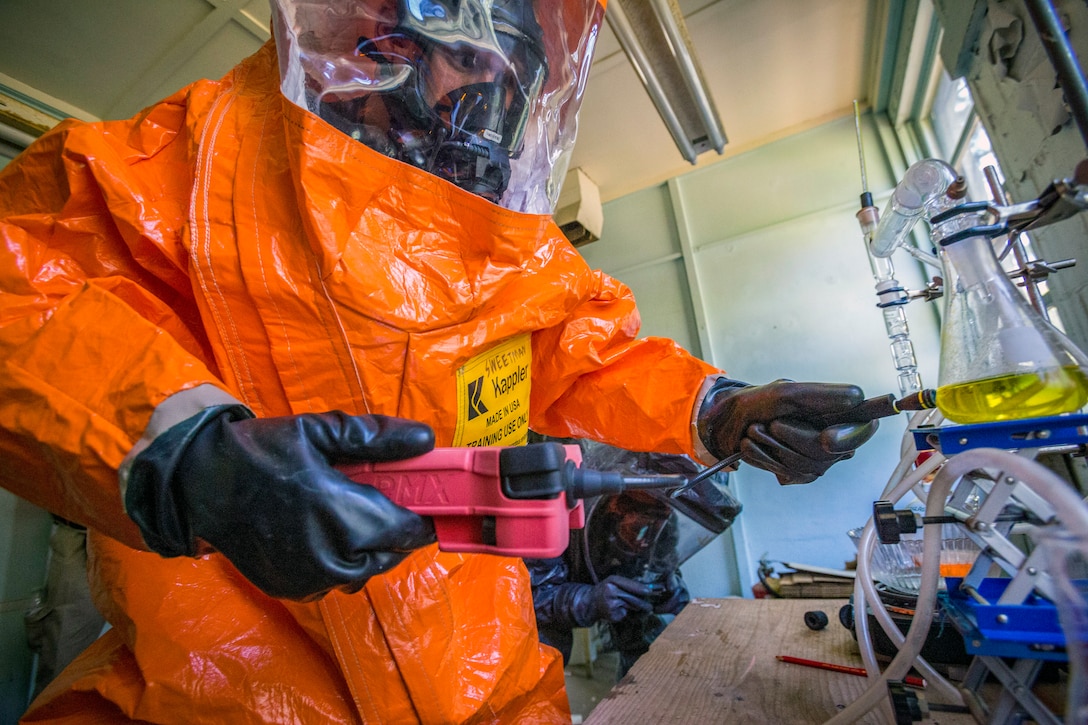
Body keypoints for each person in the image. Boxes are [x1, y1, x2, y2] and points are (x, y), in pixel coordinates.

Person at [0, 0, 878, 721]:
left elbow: (589, 353)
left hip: (491, 690)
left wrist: (717, 406)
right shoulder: (184, 170)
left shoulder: (510, 254)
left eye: (520, 60)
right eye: (480, 44)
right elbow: (18, 289)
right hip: (219, 696)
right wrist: (189, 455)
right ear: (377, 29)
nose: (495, 81)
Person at [527, 441, 740, 679]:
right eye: (644, 511)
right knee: (539, 655)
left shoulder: (663, 521)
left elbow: (659, 568)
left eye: (662, 514)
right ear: (616, 495)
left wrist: (667, 591)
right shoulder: (548, 508)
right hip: (527, 625)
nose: (650, 529)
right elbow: (525, 598)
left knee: (647, 629)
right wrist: (587, 601)